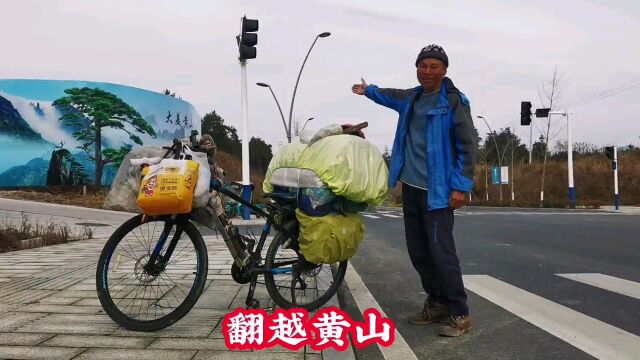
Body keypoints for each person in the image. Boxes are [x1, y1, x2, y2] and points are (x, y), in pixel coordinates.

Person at [351, 44, 477, 337]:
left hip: (439, 192)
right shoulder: (413, 98)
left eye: (434, 66)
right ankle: (437, 303)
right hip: (411, 188)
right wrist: (369, 91)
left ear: (445, 70)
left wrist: (460, 186)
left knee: (441, 252)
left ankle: (459, 311)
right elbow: (389, 95)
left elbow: (468, 146)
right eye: (423, 66)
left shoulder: (454, 102)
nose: (428, 71)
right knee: (419, 252)